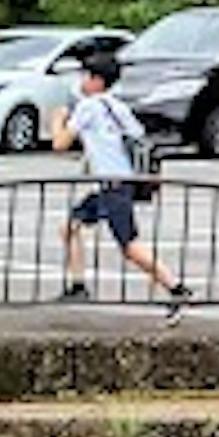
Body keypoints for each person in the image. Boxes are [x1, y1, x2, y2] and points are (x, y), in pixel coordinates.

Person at [56, 48, 193, 319]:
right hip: (120, 182)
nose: (81, 82)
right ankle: (77, 285)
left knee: (130, 245)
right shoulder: (118, 107)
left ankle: (176, 288)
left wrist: (57, 119)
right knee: (69, 227)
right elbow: (132, 138)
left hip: (112, 186)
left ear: (96, 80)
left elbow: (60, 143)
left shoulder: (89, 107)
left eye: (85, 76)